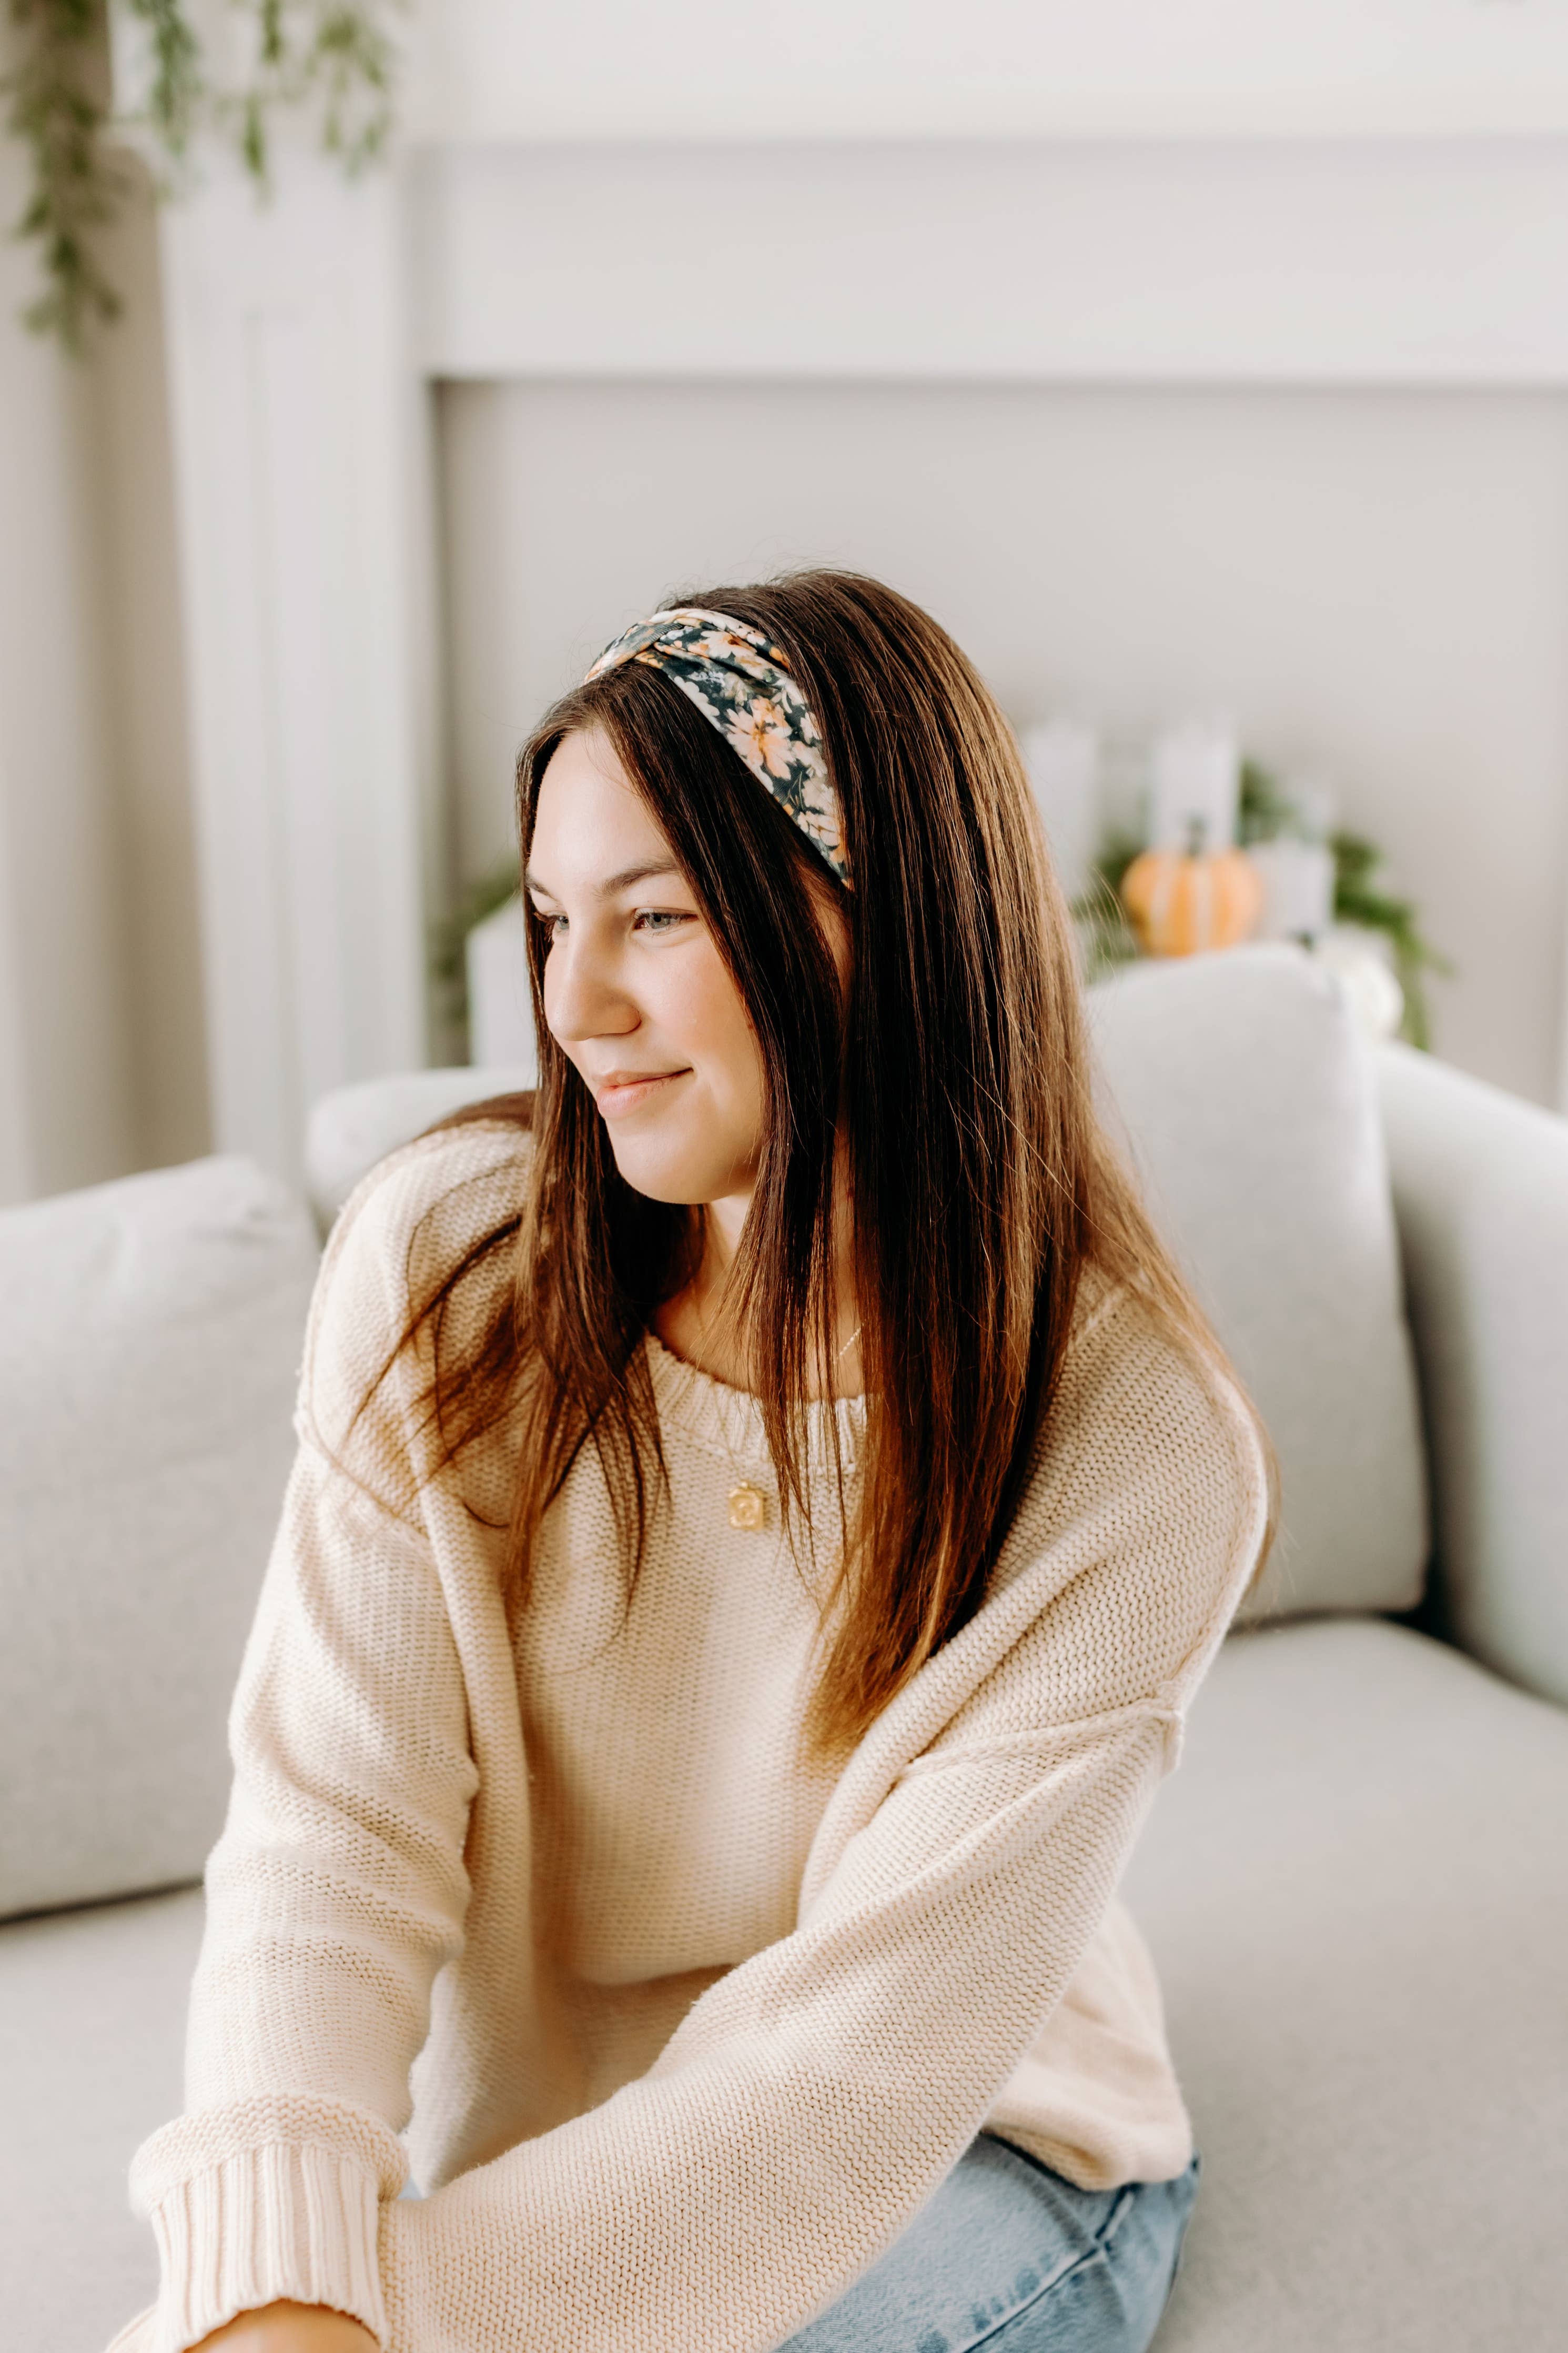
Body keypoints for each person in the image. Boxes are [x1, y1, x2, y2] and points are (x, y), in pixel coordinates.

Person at [107, 571, 1273, 2353]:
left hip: (967, 2142)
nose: (575, 1004)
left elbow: (846, 2085)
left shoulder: (1137, 1443)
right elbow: (331, 1829)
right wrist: (263, 2269)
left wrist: (349, 2308)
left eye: (652, 919)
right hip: (560, 2152)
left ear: (886, 919)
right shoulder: (450, 1271)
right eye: (553, 920)